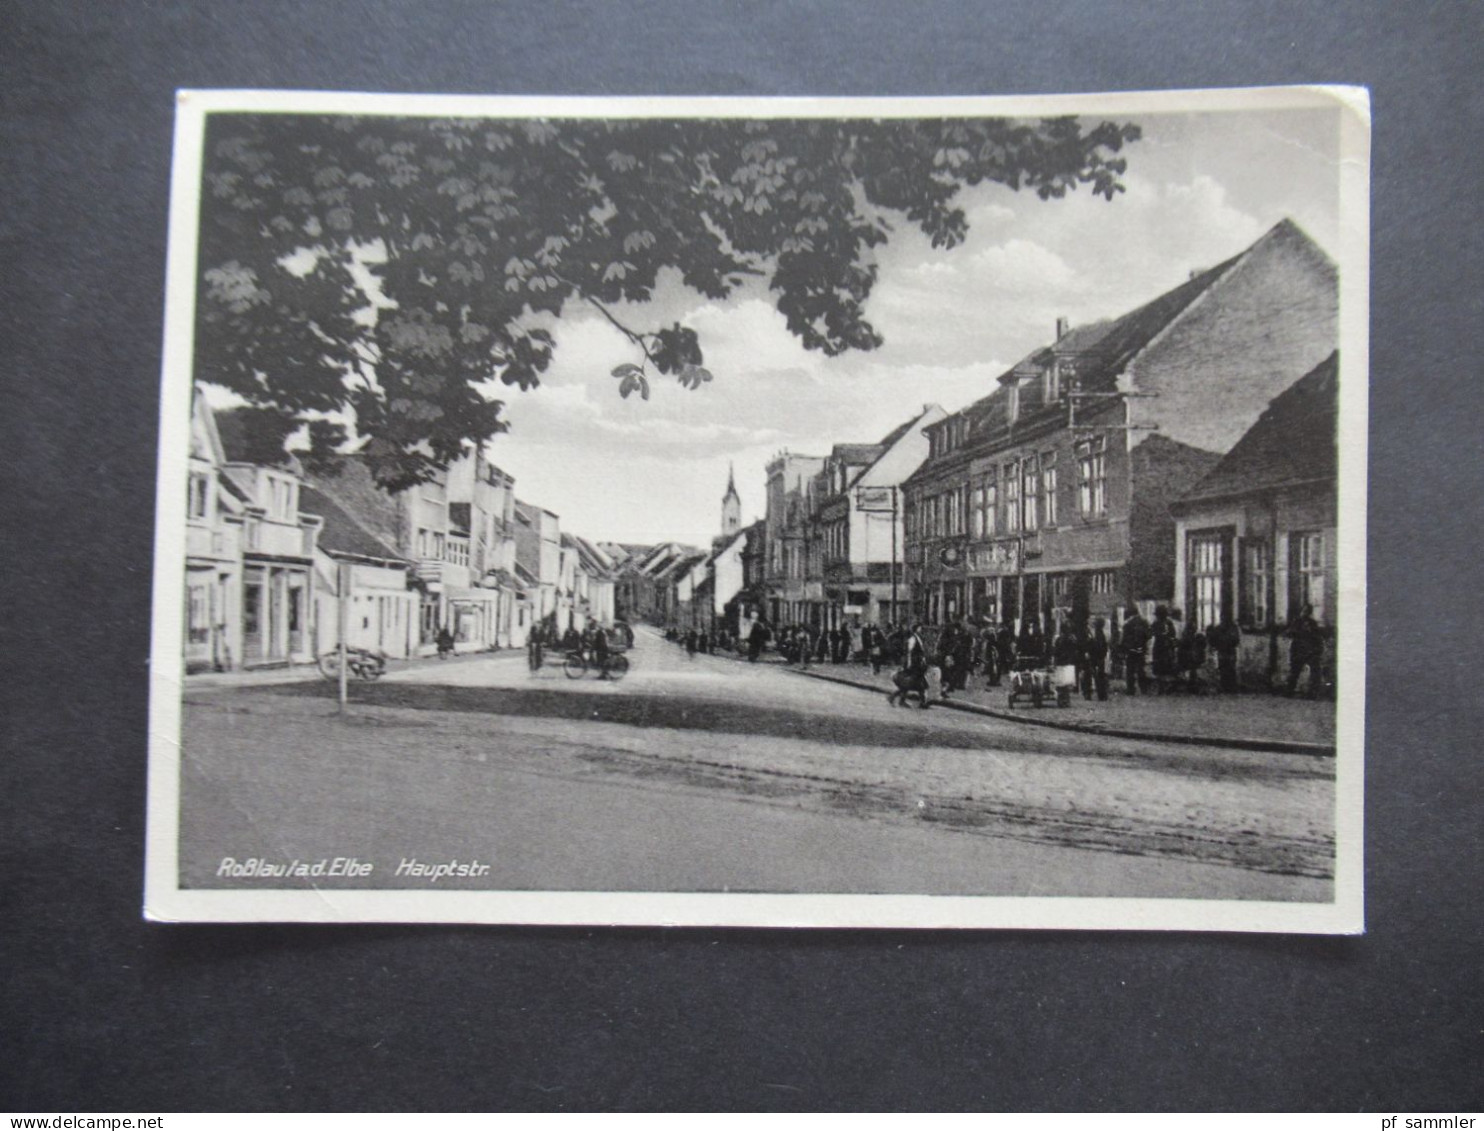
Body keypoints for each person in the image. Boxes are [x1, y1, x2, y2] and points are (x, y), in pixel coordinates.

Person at [1286, 604, 1324, 697]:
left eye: (1308, 611)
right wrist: (1300, 631)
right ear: (1301, 611)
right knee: (1294, 671)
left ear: (1310, 613)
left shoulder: (1312, 623)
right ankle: (1289, 691)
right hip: (1298, 650)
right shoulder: (1296, 622)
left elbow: (1317, 636)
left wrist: (1317, 648)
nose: (1305, 613)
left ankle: (1313, 693)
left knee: (1315, 671)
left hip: (1310, 650)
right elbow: (1290, 633)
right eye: (1304, 611)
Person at [1207, 614, 1241, 692]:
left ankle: (1229, 686)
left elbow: (1236, 640)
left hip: (1228, 651)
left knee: (1229, 668)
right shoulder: (1221, 629)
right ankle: (1226, 686)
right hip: (1224, 651)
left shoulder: (1232, 628)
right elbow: (1212, 640)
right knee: (1224, 668)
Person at [1121, 607, 1150, 695]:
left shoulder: (1128, 624)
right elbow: (1148, 635)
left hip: (1131, 649)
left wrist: (1123, 648)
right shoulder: (1144, 622)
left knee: (1130, 669)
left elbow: (1124, 638)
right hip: (1141, 649)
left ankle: (1131, 689)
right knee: (1141, 669)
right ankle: (1143, 688)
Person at [1081, 617, 1110, 701]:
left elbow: (1089, 644)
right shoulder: (1101, 633)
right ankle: (1101, 695)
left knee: (1089, 676)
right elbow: (1104, 647)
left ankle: (1088, 694)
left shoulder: (1093, 633)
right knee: (1099, 676)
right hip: (1098, 657)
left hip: (1093, 656)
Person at [1051, 624, 1081, 707]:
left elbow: (1055, 651)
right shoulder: (1072, 639)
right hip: (1069, 663)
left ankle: (1062, 701)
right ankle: (1066, 700)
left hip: (1061, 663)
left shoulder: (1059, 639)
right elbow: (1075, 650)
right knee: (1067, 683)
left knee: (1061, 683)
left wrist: (1055, 661)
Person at [1150, 605, 1178, 693]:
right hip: (1165, 647)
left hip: (1161, 647)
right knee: (1164, 666)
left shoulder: (1158, 623)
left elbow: (1151, 633)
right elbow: (1173, 634)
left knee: (1161, 667)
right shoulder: (1168, 623)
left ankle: (1163, 686)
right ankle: (1164, 686)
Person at [1179, 620, 1208, 692]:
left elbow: (1202, 647)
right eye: (1190, 628)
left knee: (1193, 669)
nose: (1191, 630)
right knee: (1192, 669)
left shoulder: (1198, 637)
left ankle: (1193, 684)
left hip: (1194, 659)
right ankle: (1192, 684)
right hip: (1188, 659)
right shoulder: (1186, 637)